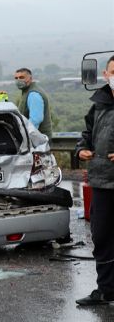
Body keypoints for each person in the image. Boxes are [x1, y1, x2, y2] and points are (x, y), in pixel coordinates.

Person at [75, 55, 114, 306]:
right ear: (106, 75)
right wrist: (80, 149)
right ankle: (107, 290)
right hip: (102, 181)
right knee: (102, 237)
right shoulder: (100, 103)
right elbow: (87, 134)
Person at [14, 68, 52, 138]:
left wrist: (24, 135)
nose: (18, 80)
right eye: (16, 78)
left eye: (22, 77)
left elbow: (35, 120)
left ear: (30, 79)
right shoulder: (26, 91)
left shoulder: (33, 94)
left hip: (38, 140)